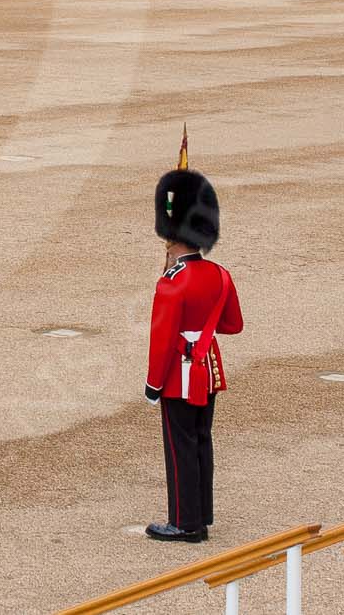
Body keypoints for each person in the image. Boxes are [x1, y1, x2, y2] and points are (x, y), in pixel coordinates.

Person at [144, 162, 242, 544]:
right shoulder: (220, 274)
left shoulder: (172, 283)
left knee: (180, 446)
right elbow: (232, 325)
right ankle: (202, 515)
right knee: (202, 439)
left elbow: (162, 340)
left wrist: (153, 384)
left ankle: (185, 523)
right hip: (209, 368)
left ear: (174, 236)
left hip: (180, 375)